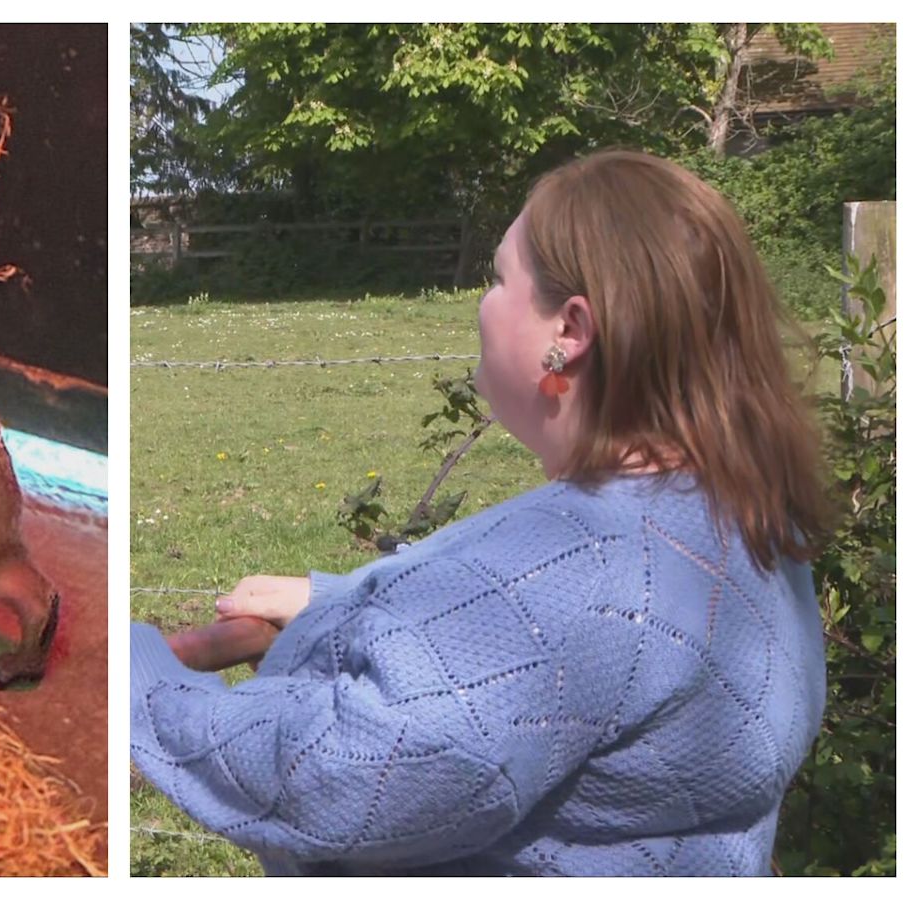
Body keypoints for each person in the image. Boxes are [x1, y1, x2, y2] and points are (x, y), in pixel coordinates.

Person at [130, 149, 832, 876]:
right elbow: (598, 653)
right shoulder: (743, 514)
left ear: (571, 330)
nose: (482, 303)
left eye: (499, 278)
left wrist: (141, 680)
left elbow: (340, 778)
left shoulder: (579, 565)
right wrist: (340, 603)